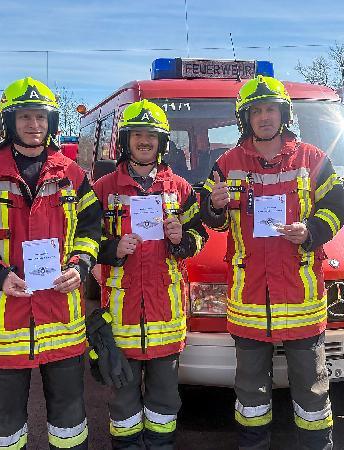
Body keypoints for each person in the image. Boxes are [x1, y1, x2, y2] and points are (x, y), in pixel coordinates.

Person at [0, 77, 102, 449]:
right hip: (6, 323)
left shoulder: (74, 175)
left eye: (41, 118)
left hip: (62, 318)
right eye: (26, 117)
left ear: (52, 123)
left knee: (69, 423)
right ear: (10, 122)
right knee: (3, 426)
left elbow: (91, 229)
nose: (34, 125)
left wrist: (80, 266)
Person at [200, 75, 344, 450]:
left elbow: (338, 207)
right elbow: (207, 218)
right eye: (257, 111)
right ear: (245, 117)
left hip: (302, 298)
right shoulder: (226, 163)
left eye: (271, 109)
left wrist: (311, 230)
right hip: (248, 299)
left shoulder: (314, 159)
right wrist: (213, 206)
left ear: (284, 113)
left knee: (312, 390)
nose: (264, 117)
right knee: (250, 392)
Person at [92, 99, 208, 450]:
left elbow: (199, 236)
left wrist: (181, 240)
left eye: (151, 136)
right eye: (138, 135)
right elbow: (80, 241)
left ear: (162, 143)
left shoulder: (181, 190)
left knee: (164, 404)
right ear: (126, 141)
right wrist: (111, 248)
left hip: (166, 317)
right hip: (121, 317)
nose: (144, 142)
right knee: (123, 407)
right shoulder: (103, 189)